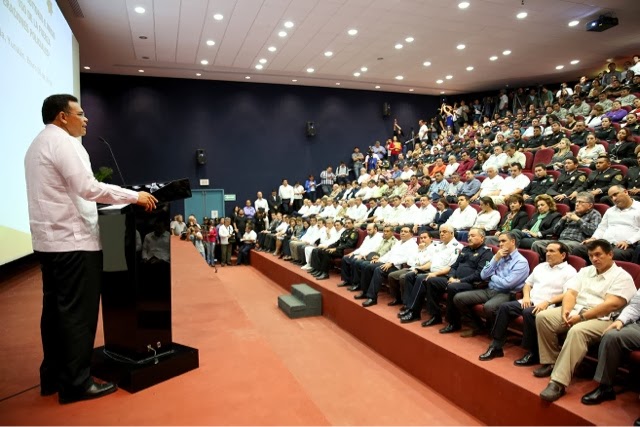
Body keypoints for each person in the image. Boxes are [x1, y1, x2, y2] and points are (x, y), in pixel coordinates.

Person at [25, 94, 157, 404]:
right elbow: (88, 188)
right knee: (78, 315)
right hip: (73, 243)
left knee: (56, 313)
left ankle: (54, 376)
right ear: (62, 117)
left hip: (49, 243)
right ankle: (77, 384)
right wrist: (133, 196)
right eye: (80, 114)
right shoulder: (64, 144)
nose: (86, 120)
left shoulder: (37, 145)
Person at [535, 240, 636, 402]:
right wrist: (566, 310)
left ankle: (558, 382)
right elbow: (571, 293)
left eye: (598, 255)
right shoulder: (586, 271)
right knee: (543, 317)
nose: (594, 259)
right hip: (577, 311)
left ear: (610, 254)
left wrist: (581, 317)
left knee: (577, 330)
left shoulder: (622, 277)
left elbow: (612, 304)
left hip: (603, 318)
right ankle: (551, 361)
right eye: (591, 256)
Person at [478, 242, 577, 362]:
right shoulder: (541, 266)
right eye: (547, 251)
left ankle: (533, 352)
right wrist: (526, 297)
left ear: (563, 255)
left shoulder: (570, 271)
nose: (548, 254)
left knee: (528, 313)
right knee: (504, 307)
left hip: (549, 305)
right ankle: (496, 346)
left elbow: (568, 294)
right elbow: (527, 284)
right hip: (530, 300)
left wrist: (548, 302)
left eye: (552, 251)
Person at [443, 231, 529, 336]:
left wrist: (492, 276)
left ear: (512, 242)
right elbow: (483, 275)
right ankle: (479, 326)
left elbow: (508, 284)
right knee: (458, 298)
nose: (500, 244)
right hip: (489, 289)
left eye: (503, 241)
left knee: (489, 307)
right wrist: (495, 259)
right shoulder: (498, 256)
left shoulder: (521, 262)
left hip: (506, 293)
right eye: (499, 242)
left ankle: (497, 333)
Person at [416, 228, 494, 327]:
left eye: (473, 236)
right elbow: (454, 266)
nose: (469, 238)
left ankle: (453, 322)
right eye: (469, 236)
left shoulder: (486, 253)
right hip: (455, 279)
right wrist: (451, 276)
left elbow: (479, 274)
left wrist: (460, 280)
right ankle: (435, 316)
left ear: (482, 238)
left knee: (452, 287)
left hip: (471, 284)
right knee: (431, 281)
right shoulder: (465, 249)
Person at [573, 185, 640, 262]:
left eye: (615, 194)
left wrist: (628, 241)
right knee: (578, 249)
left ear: (625, 192)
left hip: (627, 246)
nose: (614, 199)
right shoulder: (610, 210)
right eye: (611, 197)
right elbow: (602, 228)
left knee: (615, 254)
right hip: (605, 243)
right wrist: (594, 238)